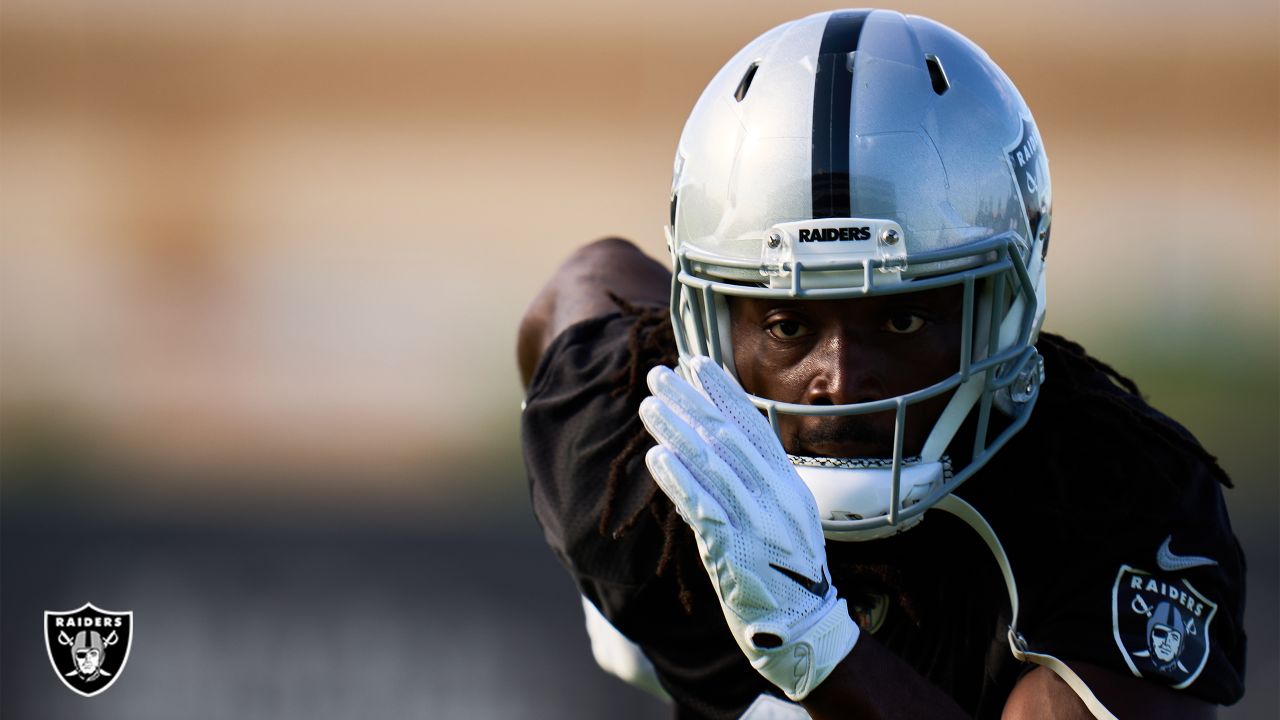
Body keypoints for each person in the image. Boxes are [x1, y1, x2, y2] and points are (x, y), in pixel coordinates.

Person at [518, 9, 1245, 719]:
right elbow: (586, 279)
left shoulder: (1110, 496)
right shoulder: (635, 456)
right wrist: (617, 597)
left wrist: (817, 648)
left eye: (901, 318)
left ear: (1005, 306)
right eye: (788, 323)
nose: (839, 377)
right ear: (705, 320)